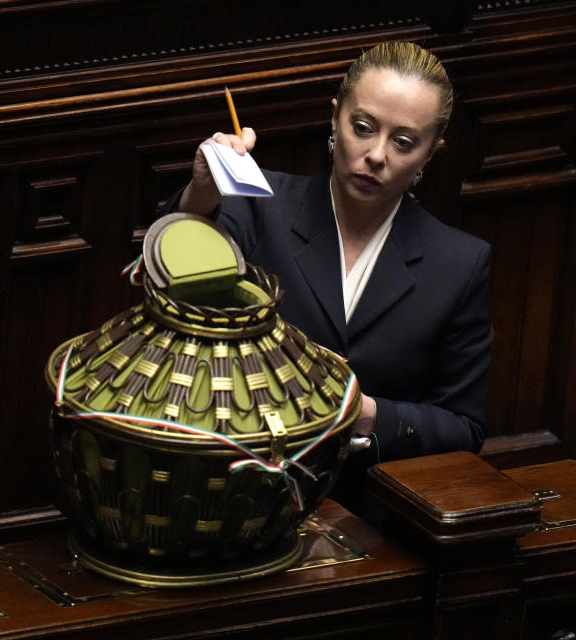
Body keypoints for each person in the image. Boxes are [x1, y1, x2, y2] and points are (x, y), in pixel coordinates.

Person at [160, 42, 493, 513]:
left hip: (371, 516)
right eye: (363, 128)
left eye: (403, 142)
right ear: (335, 119)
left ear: (430, 155)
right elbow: (168, 285)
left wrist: (366, 414)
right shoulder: (257, 205)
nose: (376, 155)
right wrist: (200, 194)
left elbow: (464, 428)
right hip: (230, 497)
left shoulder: (458, 263)